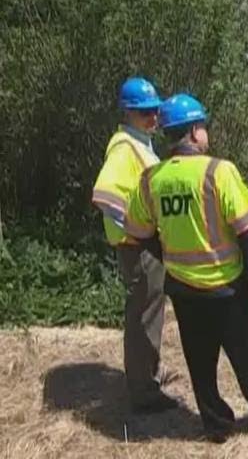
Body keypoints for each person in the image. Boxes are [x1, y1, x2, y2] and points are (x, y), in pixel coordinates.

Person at [123, 93, 248, 442]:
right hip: (227, 286)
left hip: (184, 289)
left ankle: (216, 425)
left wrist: (168, 256)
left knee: (200, 365)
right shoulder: (219, 171)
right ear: (195, 131)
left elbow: (139, 233)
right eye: (204, 127)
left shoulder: (151, 179)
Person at [90, 76, 178, 413]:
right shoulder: (125, 147)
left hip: (141, 245)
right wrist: (134, 229)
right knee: (144, 313)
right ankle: (143, 391)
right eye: (144, 112)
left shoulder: (139, 143)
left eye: (155, 110)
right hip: (137, 247)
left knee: (150, 310)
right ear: (128, 112)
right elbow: (104, 193)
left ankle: (148, 375)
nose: (153, 117)